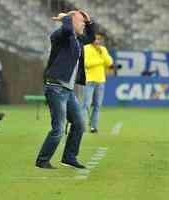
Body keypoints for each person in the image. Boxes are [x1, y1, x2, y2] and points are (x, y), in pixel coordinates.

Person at [35, 10, 95, 169]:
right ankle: (42, 160)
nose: (83, 25)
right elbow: (67, 29)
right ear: (72, 21)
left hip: (67, 91)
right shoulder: (61, 35)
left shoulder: (76, 39)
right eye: (81, 21)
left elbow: (91, 38)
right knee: (59, 129)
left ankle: (69, 157)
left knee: (79, 124)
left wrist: (88, 21)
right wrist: (67, 19)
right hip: (55, 88)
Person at [81, 33, 113, 133]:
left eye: (99, 39)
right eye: (96, 39)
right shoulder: (86, 48)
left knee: (97, 105)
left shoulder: (103, 49)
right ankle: (82, 126)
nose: (98, 41)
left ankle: (93, 127)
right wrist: (100, 60)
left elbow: (109, 62)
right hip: (89, 80)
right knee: (86, 104)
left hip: (100, 81)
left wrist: (101, 53)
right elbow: (86, 64)